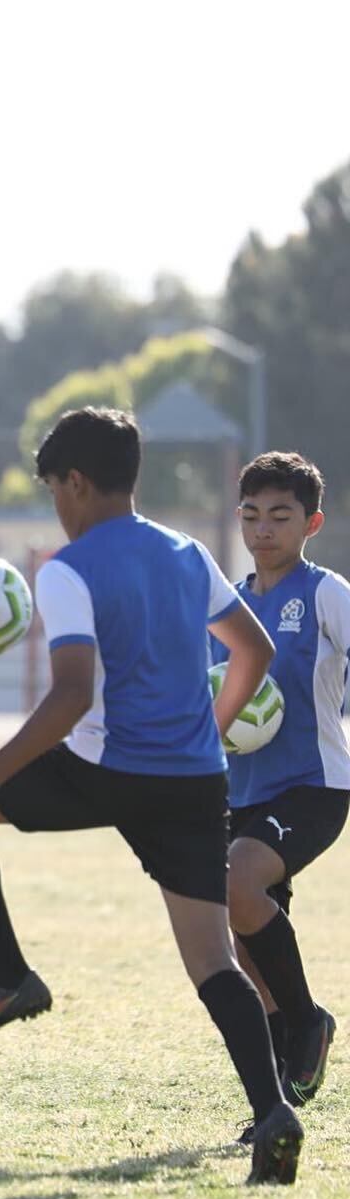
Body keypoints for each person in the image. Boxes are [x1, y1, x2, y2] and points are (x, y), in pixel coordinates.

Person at [0, 407, 303, 1186]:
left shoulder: (69, 567)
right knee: (211, 958)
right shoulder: (189, 552)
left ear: (78, 483)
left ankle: (10, 975)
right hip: (194, 780)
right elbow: (252, 649)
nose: (56, 502)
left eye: (55, 487)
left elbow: (69, 696)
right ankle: (274, 1112)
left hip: (105, 769)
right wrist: (212, 726)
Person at [211, 452, 349, 1112]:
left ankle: (307, 1023)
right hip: (242, 793)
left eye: (281, 516)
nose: (264, 529)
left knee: (238, 882)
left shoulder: (325, 592)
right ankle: (275, 1104)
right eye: (252, 515)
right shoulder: (227, 606)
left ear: (311, 523)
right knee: (244, 941)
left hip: (314, 786)